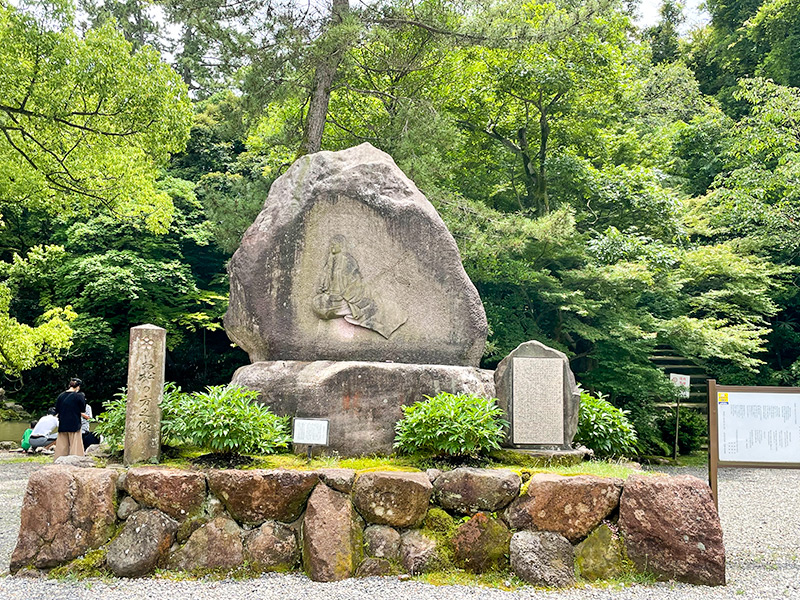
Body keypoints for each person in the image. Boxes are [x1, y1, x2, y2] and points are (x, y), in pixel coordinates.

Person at [54, 377, 87, 458]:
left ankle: (59, 461)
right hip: (74, 423)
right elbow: (83, 409)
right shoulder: (79, 396)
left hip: (62, 424)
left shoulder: (61, 396)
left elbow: (57, 410)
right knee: (75, 446)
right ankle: (75, 461)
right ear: (78, 386)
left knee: (62, 446)